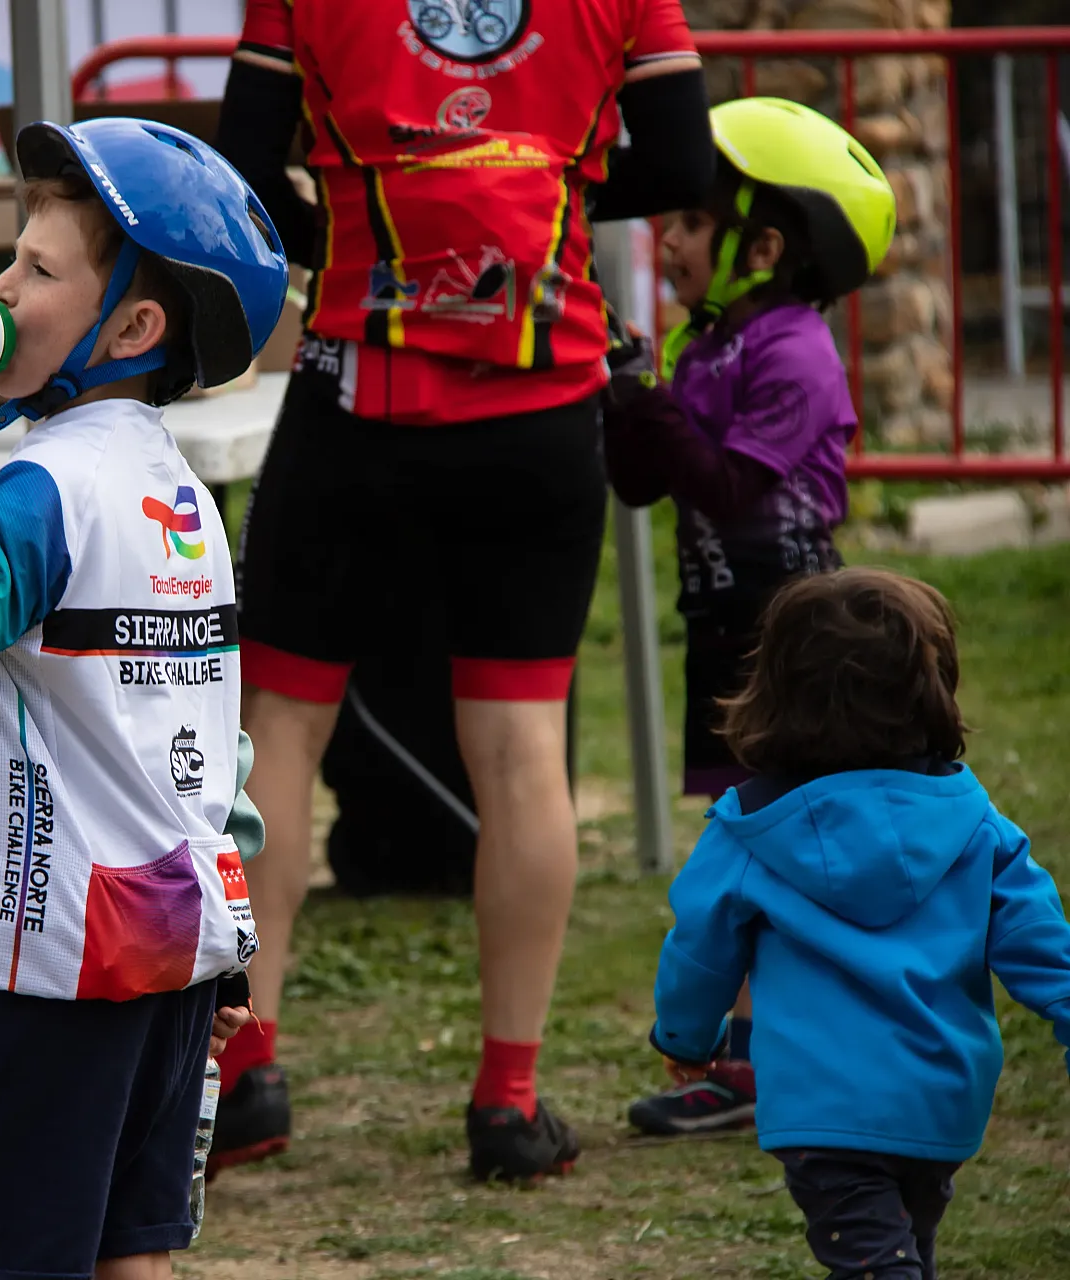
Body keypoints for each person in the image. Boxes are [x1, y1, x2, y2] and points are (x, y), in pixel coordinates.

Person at [211, 0, 716, 1181]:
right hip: (539, 395)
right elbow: (686, 161)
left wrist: (337, 231)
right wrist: (560, 195)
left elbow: (240, 166)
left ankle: (244, 1074)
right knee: (521, 747)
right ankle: (508, 1099)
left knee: (278, 724)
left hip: (354, 390)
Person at [0, 116, 288, 1279]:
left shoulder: (48, 487)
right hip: (172, 960)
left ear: (133, 326)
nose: (0, 284)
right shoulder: (181, 497)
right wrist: (228, 949)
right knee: (127, 1251)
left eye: (38, 269)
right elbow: (209, 748)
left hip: (50, 977)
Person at [602, 96, 899, 1137]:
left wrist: (647, 400)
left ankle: (777, 1051)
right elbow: (645, 482)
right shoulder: (709, 344)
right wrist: (622, 394)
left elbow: (726, 485)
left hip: (794, 633)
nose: (666, 238)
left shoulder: (794, 352)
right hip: (726, 628)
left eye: (688, 220)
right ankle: (757, 1053)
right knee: (749, 836)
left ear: (762, 245)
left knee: (780, 842)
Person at [648, 566, 1070, 1280]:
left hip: (822, 1112)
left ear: (774, 691)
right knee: (902, 1253)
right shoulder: (976, 827)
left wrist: (688, 1037)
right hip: (941, 1104)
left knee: (879, 1262)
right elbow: (1045, 953)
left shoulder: (748, 830)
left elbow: (700, 949)